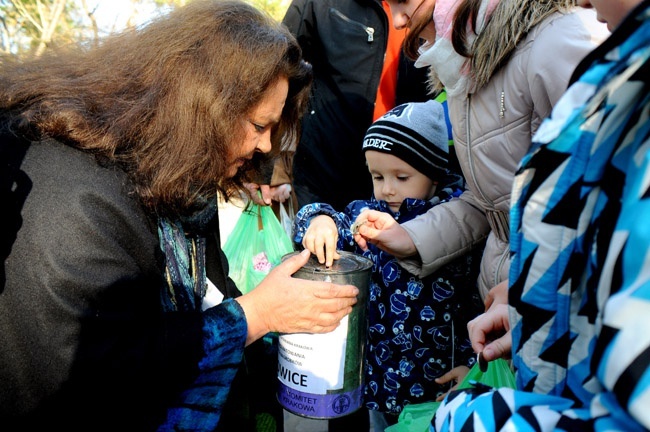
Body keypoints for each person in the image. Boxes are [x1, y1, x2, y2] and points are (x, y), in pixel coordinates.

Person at [0, 1, 361, 431]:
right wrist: (255, 315)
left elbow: (207, 292)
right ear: (203, 106)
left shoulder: (171, 183)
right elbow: (97, 374)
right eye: (257, 125)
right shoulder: (81, 202)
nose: (265, 147)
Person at [432, 0, 650, 430]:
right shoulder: (626, 64)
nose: (583, 3)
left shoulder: (565, 38)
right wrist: (533, 297)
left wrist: (471, 420)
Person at [354, 0, 609, 303]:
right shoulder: (463, 65)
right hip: (505, 299)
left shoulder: (557, 38)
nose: (398, 22)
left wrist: (533, 287)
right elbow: (490, 201)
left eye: (402, 2)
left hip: (564, 300)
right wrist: (411, 237)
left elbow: (612, 192)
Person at [293, 100, 484, 430]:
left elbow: (478, 307)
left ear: (435, 174)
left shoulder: (458, 230)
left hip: (439, 387)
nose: (387, 189)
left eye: (402, 176)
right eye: (377, 176)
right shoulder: (366, 217)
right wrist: (320, 219)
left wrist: (472, 365)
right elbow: (333, 222)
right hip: (379, 386)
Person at [281, 0, 432, 212]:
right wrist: (269, 168)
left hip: (406, 180)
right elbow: (280, 66)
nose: (400, 21)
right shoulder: (319, 4)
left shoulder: (438, 8)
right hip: (325, 172)